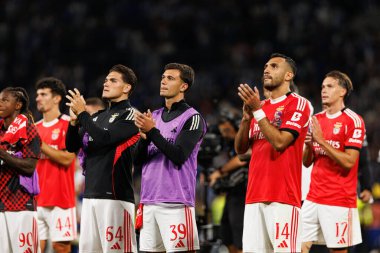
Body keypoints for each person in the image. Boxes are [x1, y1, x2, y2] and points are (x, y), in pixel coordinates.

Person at [235, 53, 311, 252]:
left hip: (283, 198)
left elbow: (280, 142)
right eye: (265, 67)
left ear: (289, 75)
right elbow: (241, 150)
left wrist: (257, 112)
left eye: (274, 66)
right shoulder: (260, 107)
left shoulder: (298, 104)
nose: (267, 70)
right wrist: (245, 119)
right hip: (253, 197)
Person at [66, 64, 140, 253]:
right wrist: (74, 124)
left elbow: (105, 138)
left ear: (127, 87)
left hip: (115, 198)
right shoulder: (98, 117)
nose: (106, 83)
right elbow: (71, 146)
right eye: (106, 80)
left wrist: (83, 114)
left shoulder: (131, 115)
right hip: (90, 196)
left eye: (113, 80)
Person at [134, 63, 206, 252]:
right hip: (149, 200)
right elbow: (137, 161)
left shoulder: (193, 117)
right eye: (163, 77)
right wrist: (144, 139)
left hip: (176, 202)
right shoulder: (154, 116)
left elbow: (179, 155)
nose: (164, 81)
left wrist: (152, 132)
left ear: (184, 86)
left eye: (171, 78)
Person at [302, 71, 366, 253]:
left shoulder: (354, 121)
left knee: (337, 251)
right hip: (313, 197)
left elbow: (349, 162)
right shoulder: (316, 120)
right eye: (322, 86)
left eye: (329, 86)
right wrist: (309, 146)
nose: (324, 90)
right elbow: (307, 163)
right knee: (297, 246)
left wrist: (321, 141)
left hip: (338, 200)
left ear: (342, 91)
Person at [34, 77, 77, 253]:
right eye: (37, 94)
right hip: (36, 199)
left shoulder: (69, 124)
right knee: (35, 247)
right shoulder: (34, 127)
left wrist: (41, 145)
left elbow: (68, 158)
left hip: (61, 199)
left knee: (60, 247)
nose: (38, 98)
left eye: (43, 94)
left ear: (57, 98)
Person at [0, 87, 42, 253]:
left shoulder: (29, 130)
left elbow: (29, 167)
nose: (0, 103)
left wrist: (2, 154)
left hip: (21, 205)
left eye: (5, 100)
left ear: (18, 105)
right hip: (1, 204)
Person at [208, 116, 248, 253]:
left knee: (240, 237)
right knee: (226, 235)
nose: (225, 134)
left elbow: (242, 158)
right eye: (222, 131)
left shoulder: (245, 137)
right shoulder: (229, 144)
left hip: (244, 192)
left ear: (236, 126)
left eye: (227, 130)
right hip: (233, 193)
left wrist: (220, 172)